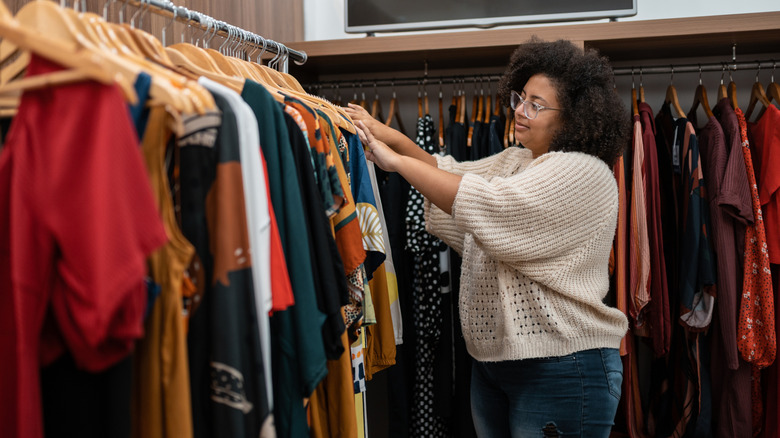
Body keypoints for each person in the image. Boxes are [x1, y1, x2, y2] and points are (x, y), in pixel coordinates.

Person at [345, 38, 631, 438]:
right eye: (520, 98)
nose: (519, 110)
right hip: (494, 367)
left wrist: (394, 161)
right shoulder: (517, 160)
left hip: (564, 366)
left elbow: (487, 203)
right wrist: (388, 136)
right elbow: (449, 175)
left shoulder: (585, 172)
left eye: (536, 104)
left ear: (573, 118)